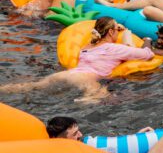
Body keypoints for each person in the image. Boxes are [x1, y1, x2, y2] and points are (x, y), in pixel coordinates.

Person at [0, 17, 154, 100]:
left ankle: (4, 90)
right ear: (112, 32)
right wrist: (146, 39)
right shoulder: (113, 49)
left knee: (32, 86)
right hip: (85, 79)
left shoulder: (87, 46)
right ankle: (83, 101)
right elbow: (147, 54)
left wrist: (116, 28)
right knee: (103, 98)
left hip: (66, 74)